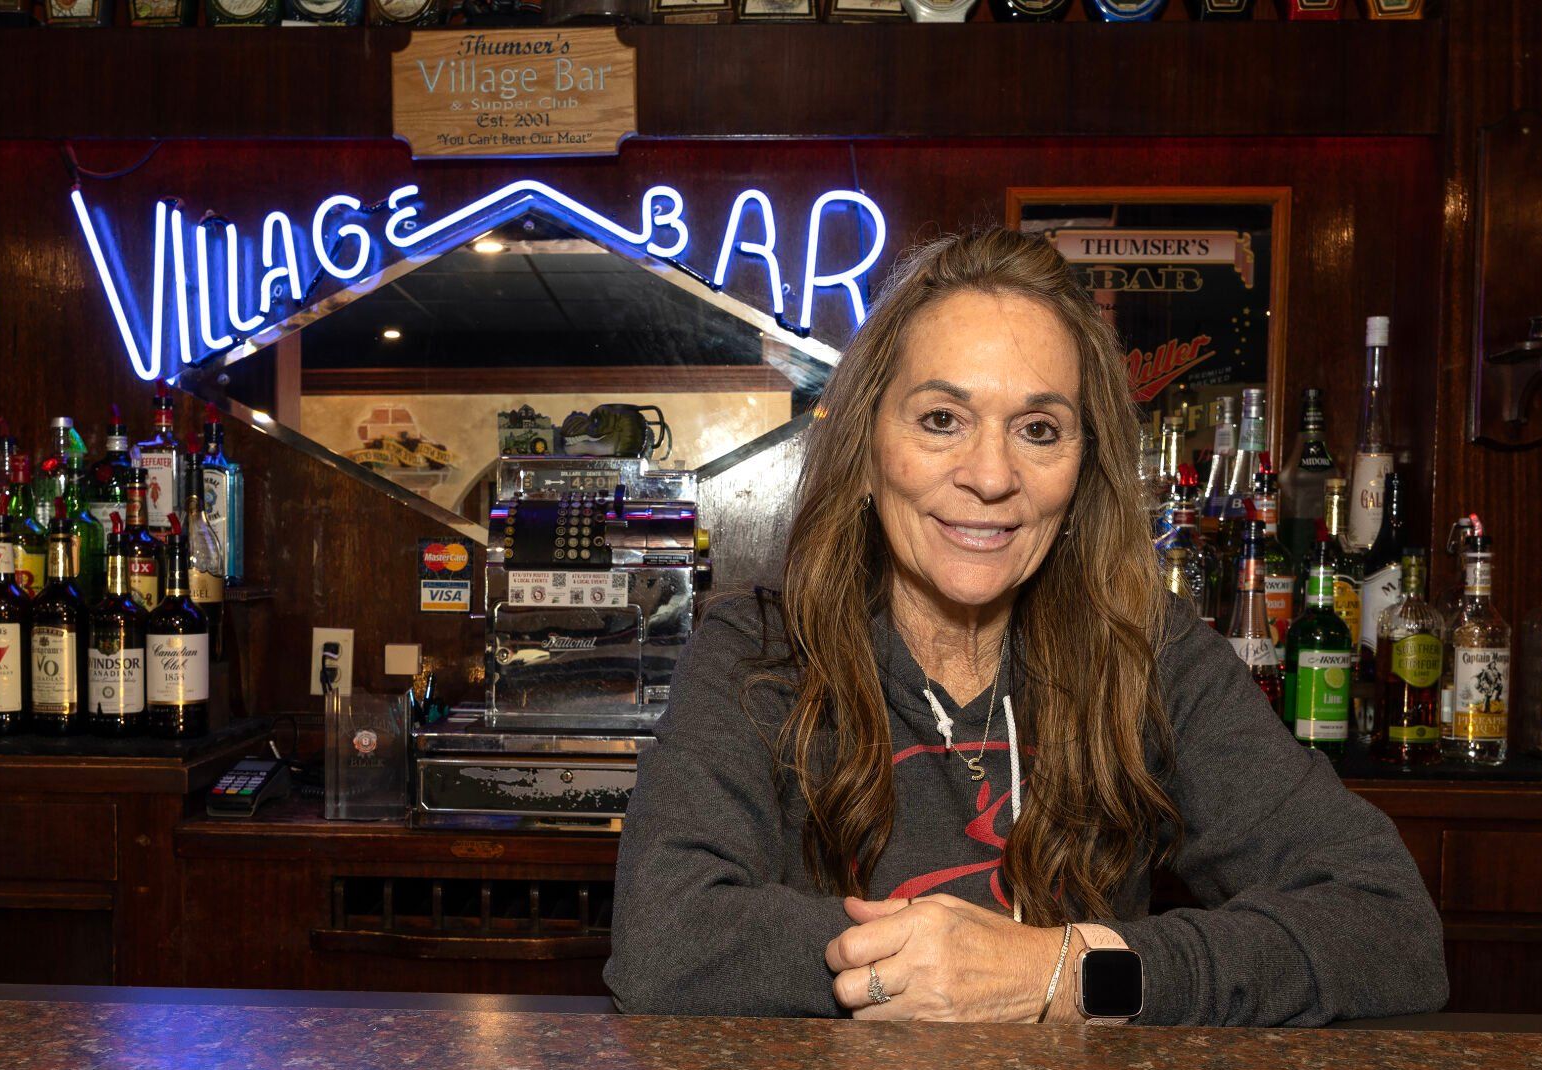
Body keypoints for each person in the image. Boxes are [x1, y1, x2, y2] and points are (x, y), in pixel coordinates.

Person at [604, 228, 1448, 1026]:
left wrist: (1064, 972)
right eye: (942, 419)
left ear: (1082, 470)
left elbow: (1389, 924)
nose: (992, 475)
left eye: (1038, 430)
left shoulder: (1150, 652)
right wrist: (928, 969)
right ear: (866, 448)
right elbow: (665, 936)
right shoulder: (762, 650)